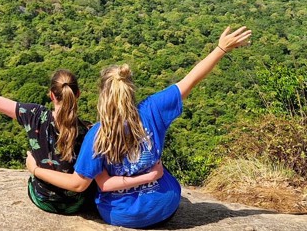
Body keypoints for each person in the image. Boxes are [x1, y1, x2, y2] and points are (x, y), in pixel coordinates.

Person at [28, 26, 253, 228]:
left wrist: (36, 170)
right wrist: (221, 49)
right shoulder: (152, 110)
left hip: (122, 215)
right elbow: (191, 80)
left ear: (103, 96)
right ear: (130, 89)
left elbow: (77, 184)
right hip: (164, 206)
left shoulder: (96, 135)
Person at [0, 56, 163, 214]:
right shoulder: (91, 131)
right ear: (77, 95)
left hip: (43, 199)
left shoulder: (33, 116)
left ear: (50, 95)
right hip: (76, 204)